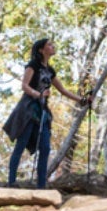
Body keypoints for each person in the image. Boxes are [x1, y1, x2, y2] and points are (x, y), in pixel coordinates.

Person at [6, 36, 89, 188]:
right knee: (21, 144)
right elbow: (24, 86)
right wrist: (38, 94)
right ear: (41, 50)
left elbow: (62, 90)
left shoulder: (50, 71)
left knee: (45, 148)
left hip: (43, 112)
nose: (52, 46)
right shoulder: (33, 65)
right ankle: (11, 182)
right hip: (29, 110)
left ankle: (41, 185)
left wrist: (82, 100)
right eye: (49, 45)